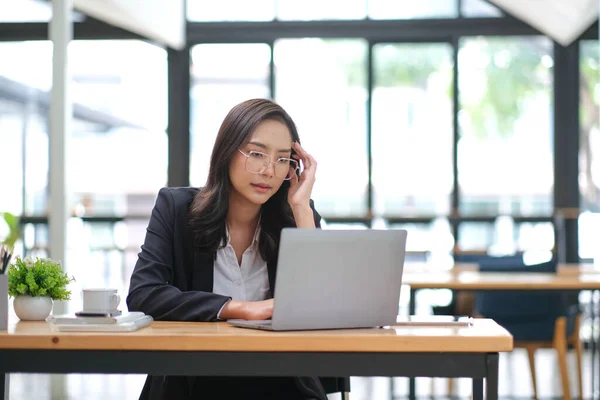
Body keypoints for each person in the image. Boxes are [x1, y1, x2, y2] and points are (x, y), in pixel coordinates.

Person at [127, 99, 348, 400]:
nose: (270, 170)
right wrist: (239, 308)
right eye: (257, 154)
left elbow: (323, 306)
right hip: (196, 382)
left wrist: (301, 209)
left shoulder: (296, 215)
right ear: (227, 152)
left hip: (282, 382)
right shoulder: (176, 209)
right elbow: (144, 294)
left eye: (283, 159)